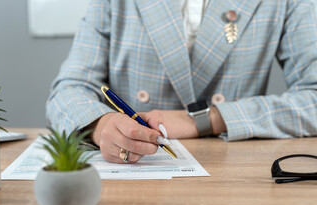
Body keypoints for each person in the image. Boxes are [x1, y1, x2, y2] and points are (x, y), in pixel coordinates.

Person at [46, 0, 317, 164]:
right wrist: (100, 124)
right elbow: (68, 89)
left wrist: (204, 120)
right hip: (133, 173)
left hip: (233, 176)